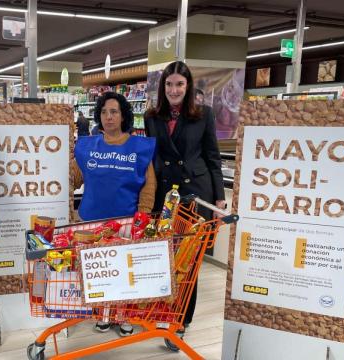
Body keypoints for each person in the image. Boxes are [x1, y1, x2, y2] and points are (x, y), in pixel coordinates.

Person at [144, 61, 226, 345]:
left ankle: (181, 318)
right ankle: (161, 308)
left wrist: (219, 197)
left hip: (196, 195)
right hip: (164, 196)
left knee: (189, 261)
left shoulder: (204, 114)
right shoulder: (152, 116)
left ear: (188, 86)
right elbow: (152, 159)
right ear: (162, 88)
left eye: (179, 84)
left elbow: (212, 156)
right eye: (169, 84)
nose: (174, 89)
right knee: (163, 255)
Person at [72, 91, 157, 336]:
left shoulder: (138, 149)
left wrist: (143, 216)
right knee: (99, 272)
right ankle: (104, 314)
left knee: (124, 273)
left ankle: (125, 315)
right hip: (91, 223)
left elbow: (148, 186)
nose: (108, 117)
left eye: (114, 112)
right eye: (104, 112)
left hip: (126, 223)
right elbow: (74, 176)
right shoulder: (88, 147)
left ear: (123, 116)